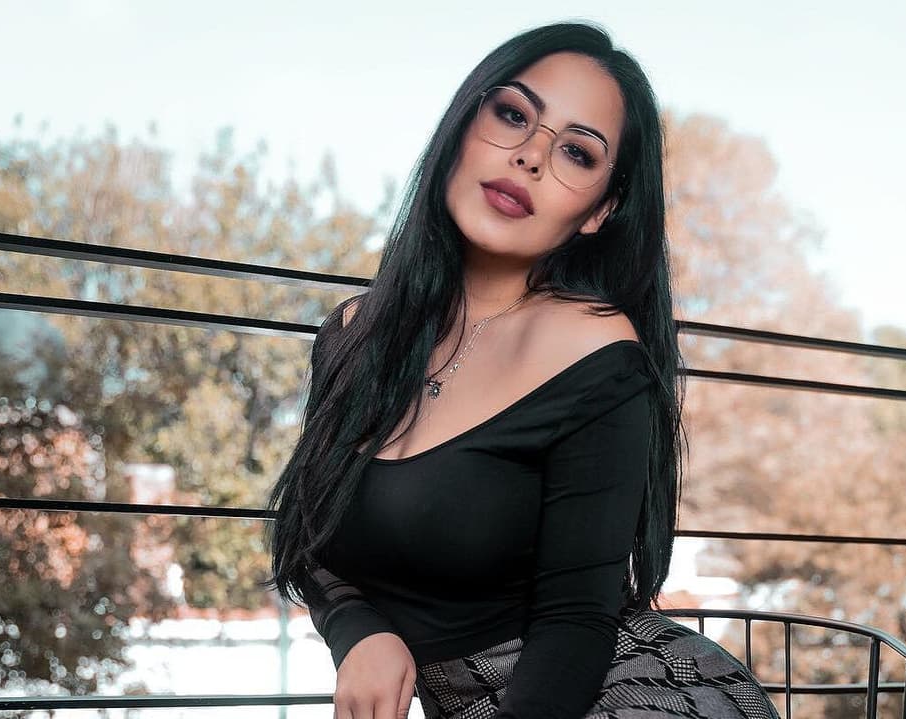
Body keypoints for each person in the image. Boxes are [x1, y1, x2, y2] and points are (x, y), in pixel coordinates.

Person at [264, 21, 780, 719]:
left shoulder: (596, 350)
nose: (531, 156)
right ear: (463, 126)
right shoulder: (355, 336)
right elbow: (309, 532)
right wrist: (360, 632)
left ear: (601, 209)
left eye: (577, 152)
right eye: (513, 115)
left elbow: (576, 622)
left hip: (618, 697)